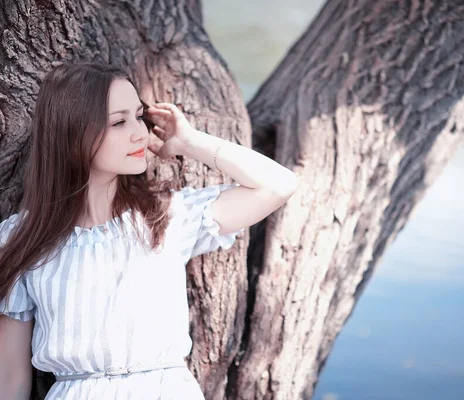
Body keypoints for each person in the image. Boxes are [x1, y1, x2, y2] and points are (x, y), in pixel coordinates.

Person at [0, 62, 297, 400]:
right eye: (119, 122)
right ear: (72, 132)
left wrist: (190, 141)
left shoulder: (166, 216)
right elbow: (10, 380)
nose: (140, 133)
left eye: (139, 117)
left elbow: (279, 185)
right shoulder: (19, 239)